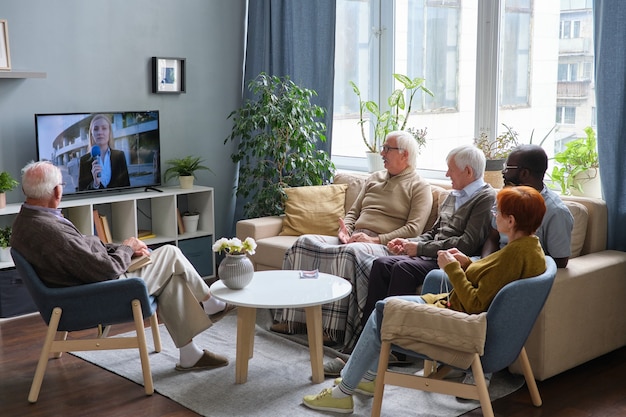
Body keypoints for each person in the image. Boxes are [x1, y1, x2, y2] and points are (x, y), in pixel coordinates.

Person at [302, 186, 547, 414]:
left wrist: (452, 270)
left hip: (461, 324)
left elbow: (474, 303)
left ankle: (343, 392)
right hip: (453, 309)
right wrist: (467, 263)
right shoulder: (529, 249)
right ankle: (364, 378)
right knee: (383, 310)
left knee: (383, 312)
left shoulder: (513, 256)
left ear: (511, 221)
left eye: (498, 212)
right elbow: (492, 280)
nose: (494, 215)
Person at [11, 161, 234, 371]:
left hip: (85, 285)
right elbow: (105, 269)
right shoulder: (49, 231)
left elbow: (84, 253)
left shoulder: (28, 220)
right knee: (170, 253)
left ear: (26, 191)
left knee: (170, 274)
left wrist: (121, 248)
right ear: (57, 192)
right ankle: (211, 304)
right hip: (103, 292)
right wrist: (127, 247)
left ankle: (190, 355)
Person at [272, 130, 433, 351]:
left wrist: (376, 239)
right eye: (383, 147)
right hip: (355, 238)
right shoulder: (374, 178)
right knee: (304, 243)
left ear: (405, 155)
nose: (382, 152)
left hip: (383, 246)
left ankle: (330, 329)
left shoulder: (419, 186)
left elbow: (414, 228)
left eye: (388, 148)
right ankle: (293, 318)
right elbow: (353, 211)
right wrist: (345, 231)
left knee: (348, 254)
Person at [361, 144, 496, 325]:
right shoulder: (454, 194)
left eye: (451, 169)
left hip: (450, 259)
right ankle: (366, 334)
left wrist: (420, 248)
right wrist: (407, 242)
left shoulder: (485, 198)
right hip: (431, 254)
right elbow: (433, 232)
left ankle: (393, 339)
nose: (447, 174)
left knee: (402, 268)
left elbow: (468, 243)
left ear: (468, 172)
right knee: (381, 264)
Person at [482, 144, 574, 267]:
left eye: (508, 168)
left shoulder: (556, 211)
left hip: (521, 272)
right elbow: (493, 238)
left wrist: (512, 269)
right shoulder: (506, 196)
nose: (503, 172)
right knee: (448, 273)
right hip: (494, 263)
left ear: (524, 173)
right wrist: (484, 266)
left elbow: (560, 261)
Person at [78, 114, 131, 191]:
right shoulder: (84, 160)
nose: (100, 132)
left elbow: (127, 187)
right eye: (96, 129)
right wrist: (95, 184)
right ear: (91, 134)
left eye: (104, 128)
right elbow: (81, 192)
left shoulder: (120, 156)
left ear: (109, 132)